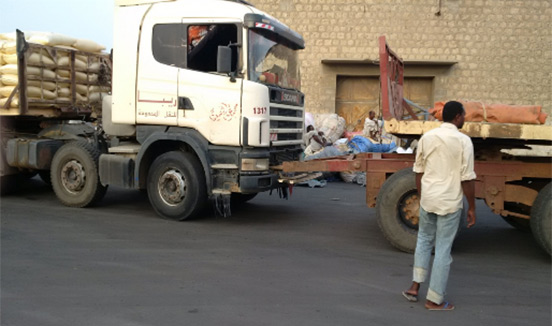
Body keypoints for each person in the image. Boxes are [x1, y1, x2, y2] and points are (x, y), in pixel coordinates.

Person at [402, 101, 476, 311]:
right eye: (464, 115)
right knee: (443, 248)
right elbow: (467, 178)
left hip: (429, 199)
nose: (465, 118)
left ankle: (415, 286)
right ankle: (434, 300)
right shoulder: (464, 141)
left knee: (424, 240)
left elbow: (419, 171)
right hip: (450, 202)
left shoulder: (427, 137)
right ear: (457, 117)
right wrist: (472, 207)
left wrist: (422, 195)